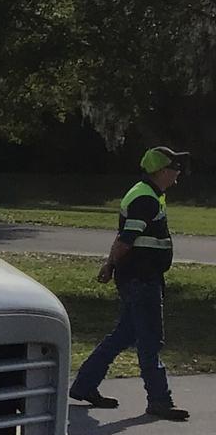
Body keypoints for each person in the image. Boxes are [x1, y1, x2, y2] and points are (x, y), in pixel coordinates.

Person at [69, 147, 191, 420]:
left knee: (125, 335)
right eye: (174, 167)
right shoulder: (145, 199)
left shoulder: (150, 194)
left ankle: (84, 385)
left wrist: (111, 266)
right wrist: (111, 264)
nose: (178, 172)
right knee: (150, 340)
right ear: (160, 171)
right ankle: (159, 400)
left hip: (138, 277)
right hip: (141, 279)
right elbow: (126, 240)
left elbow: (124, 236)